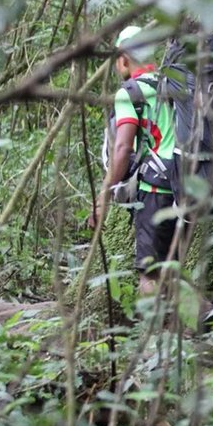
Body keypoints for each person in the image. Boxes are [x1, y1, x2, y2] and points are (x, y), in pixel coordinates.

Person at [91, 25, 179, 297]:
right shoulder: (169, 86)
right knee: (169, 272)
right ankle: (200, 325)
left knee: (149, 275)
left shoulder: (129, 92)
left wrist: (103, 196)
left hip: (155, 191)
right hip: (183, 187)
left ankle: (149, 339)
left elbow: (122, 148)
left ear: (124, 58)